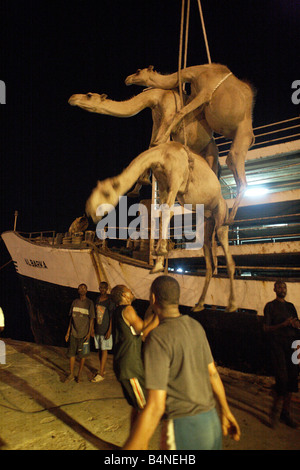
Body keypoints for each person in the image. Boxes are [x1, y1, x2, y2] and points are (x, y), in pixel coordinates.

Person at [123, 275, 240, 450]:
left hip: (183, 428)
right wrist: (226, 411)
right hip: (210, 421)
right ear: (177, 299)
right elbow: (213, 374)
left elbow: (156, 405)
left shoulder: (158, 338)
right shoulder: (196, 327)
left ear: (153, 298)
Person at [110, 285, 153, 430]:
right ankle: (137, 445)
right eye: (129, 290)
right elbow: (144, 329)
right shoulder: (128, 310)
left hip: (124, 365)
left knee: (137, 407)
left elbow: (139, 334)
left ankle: (135, 442)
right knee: (145, 409)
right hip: (130, 367)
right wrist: (160, 313)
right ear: (124, 295)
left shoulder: (117, 312)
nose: (132, 291)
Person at [263, 280, 300, 428]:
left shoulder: (290, 306)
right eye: (279, 286)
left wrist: (295, 324)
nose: (282, 289)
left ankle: (285, 413)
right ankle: (274, 410)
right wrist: (282, 324)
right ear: (274, 289)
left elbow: (298, 324)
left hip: (293, 345)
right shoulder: (270, 306)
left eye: (284, 287)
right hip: (277, 345)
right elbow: (265, 328)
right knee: (282, 379)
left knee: (292, 380)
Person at [65, 283, 95, 383]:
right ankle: (71, 374)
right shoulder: (74, 302)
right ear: (78, 291)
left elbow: (91, 319)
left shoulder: (89, 303)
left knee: (83, 355)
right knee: (72, 354)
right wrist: (68, 332)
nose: (82, 290)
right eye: (80, 288)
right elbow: (71, 318)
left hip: (84, 334)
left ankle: (79, 375)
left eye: (84, 288)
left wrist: (90, 332)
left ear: (86, 291)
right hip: (74, 332)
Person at [91, 281, 114, 382]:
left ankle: (101, 374)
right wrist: (92, 328)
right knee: (99, 350)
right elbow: (96, 315)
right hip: (98, 329)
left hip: (105, 329)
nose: (102, 289)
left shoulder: (110, 301)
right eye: (101, 287)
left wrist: (109, 330)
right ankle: (102, 369)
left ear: (107, 288)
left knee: (104, 350)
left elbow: (112, 317)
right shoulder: (98, 299)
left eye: (104, 288)